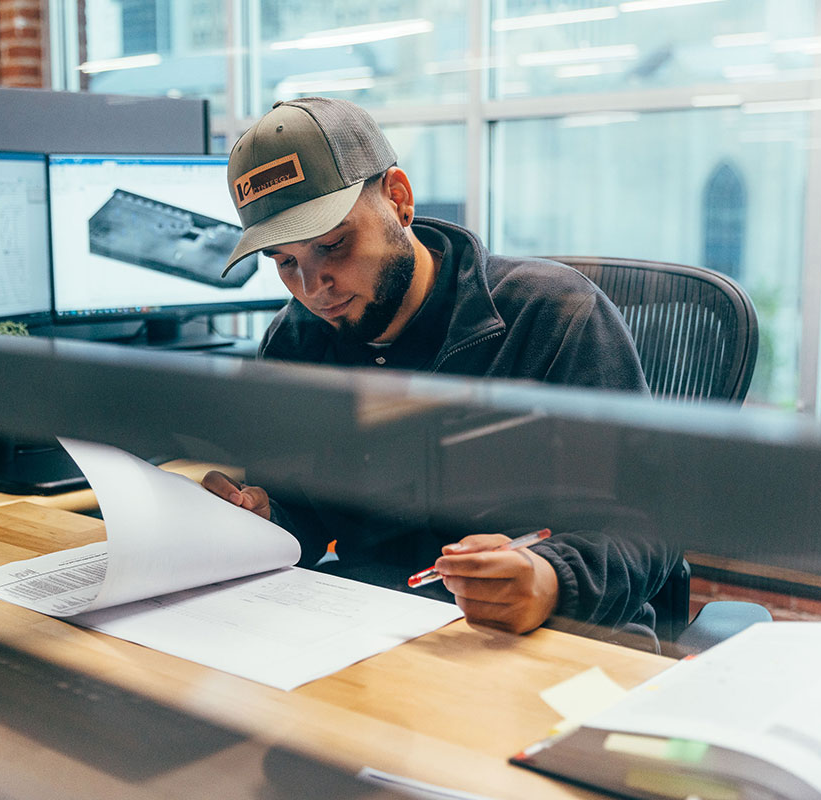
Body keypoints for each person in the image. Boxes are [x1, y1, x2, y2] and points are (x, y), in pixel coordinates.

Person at [202, 96, 677, 647]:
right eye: (285, 263)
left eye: (332, 245)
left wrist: (551, 578)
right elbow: (304, 516)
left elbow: (649, 527)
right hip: (372, 633)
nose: (312, 288)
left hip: (557, 637)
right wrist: (263, 519)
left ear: (398, 200)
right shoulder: (295, 342)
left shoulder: (554, 316)